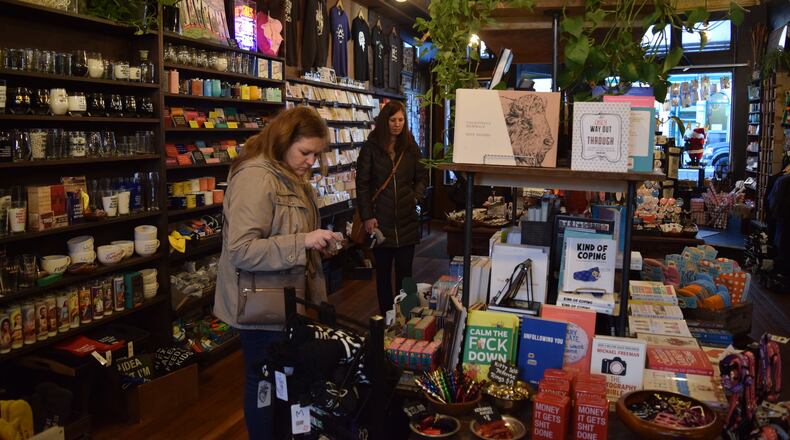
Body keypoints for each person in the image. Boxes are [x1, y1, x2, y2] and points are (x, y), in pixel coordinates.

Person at [214, 106, 342, 440]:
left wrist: (317, 244)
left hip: (284, 302)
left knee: (281, 380)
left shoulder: (286, 173)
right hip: (261, 307)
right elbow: (241, 250)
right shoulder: (256, 178)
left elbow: (289, 232)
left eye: (316, 154)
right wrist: (303, 241)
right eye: (305, 152)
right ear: (284, 141)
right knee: (264, 382)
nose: (311, 161)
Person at [356, 100, 428, 316]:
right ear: (384, 121)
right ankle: (387, 318)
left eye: (401, 120)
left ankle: (406, 316)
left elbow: (422, 176)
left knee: (406, 276)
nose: (397, 124)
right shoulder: (371, 147)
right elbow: (362, 184)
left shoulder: (410, 146)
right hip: (380, 222)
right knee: (383, 274)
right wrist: (367, 216)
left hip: (407, 220)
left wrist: (415, 198)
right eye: (393, 120)